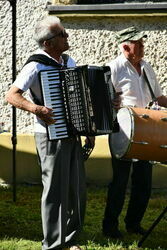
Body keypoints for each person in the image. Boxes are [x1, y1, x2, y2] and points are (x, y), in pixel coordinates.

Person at [6, 16, 96, 250]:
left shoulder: (69, 61)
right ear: (48, 43)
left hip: (72, 133)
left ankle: (69, 240)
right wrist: (36, 109)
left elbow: (80, 99)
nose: (67, 37)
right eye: (62, 34)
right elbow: (12, 95)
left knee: (76, 189)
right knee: (54, 191)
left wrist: (87, 128)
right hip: (48, 135)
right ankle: (53, 245)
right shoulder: (35, 65)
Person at [102, 26, 167, 239]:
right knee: (119, 183)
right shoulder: (113, 68)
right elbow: (101, 101)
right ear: (125, 46)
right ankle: (110, 227)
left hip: (147, 132)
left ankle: (133, 223)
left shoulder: (146, 67)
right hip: (123, 132)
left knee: (143, 183)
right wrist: (110, 103)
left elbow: (158, 98)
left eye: (142, 43)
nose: (142, 46)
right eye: (138, 43)